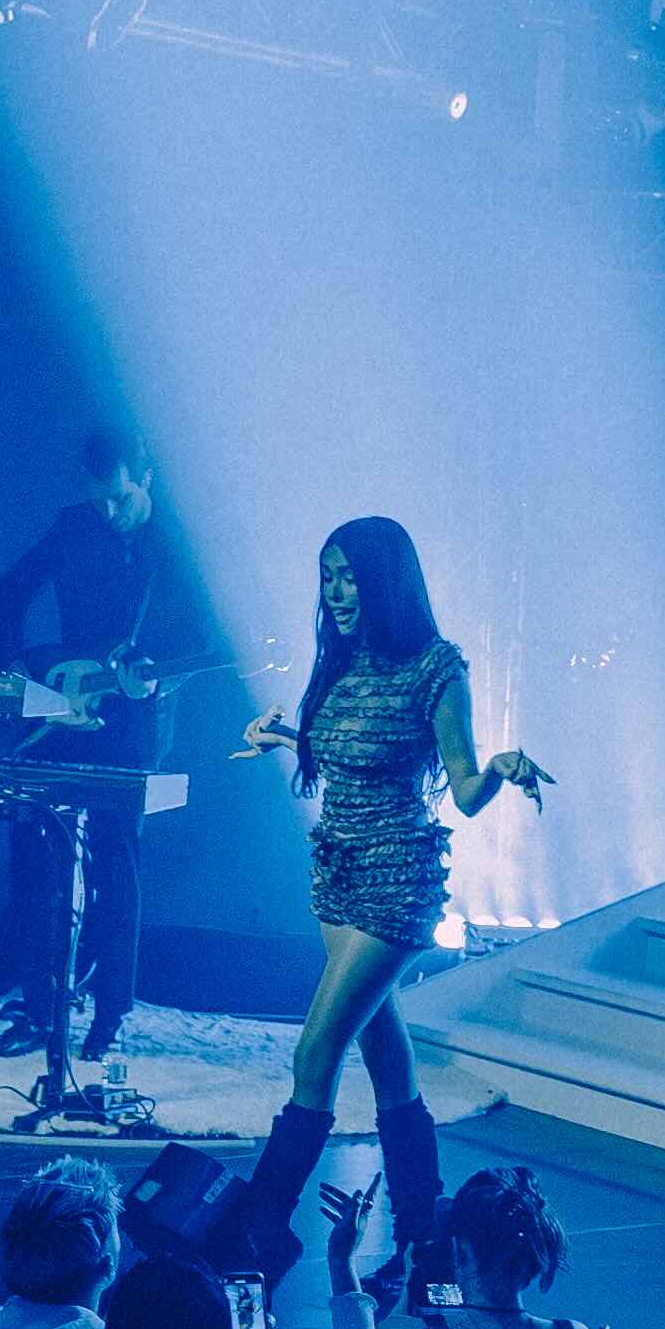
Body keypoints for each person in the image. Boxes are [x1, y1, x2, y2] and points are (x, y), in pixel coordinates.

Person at [224, 517, 549, 1272]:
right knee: (387, 1056)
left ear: (386, 582)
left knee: (314, 1053)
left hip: (396, 882)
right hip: (337, 876)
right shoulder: (339, 662)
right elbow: (338, 750)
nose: (337, 593)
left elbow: (463, 790)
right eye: (328, 576)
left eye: (351, 577)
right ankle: (422, 1228)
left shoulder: (437, 669)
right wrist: (281, 738)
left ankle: (259, 1230)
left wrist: (501, 768)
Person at [0, 431, 173, 1065]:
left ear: (146, 478)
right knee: (43, 855)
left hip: (136, 719)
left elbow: (201, 633)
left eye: (120, 497)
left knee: (117, 860)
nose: (108, 511)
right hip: (68, 704)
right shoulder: (74, 525)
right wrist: (22, 670)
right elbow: (6, 595)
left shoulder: (174, 547)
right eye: (98, 499)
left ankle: (112, 1012)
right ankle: (39, 1008)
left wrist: (155, 667)